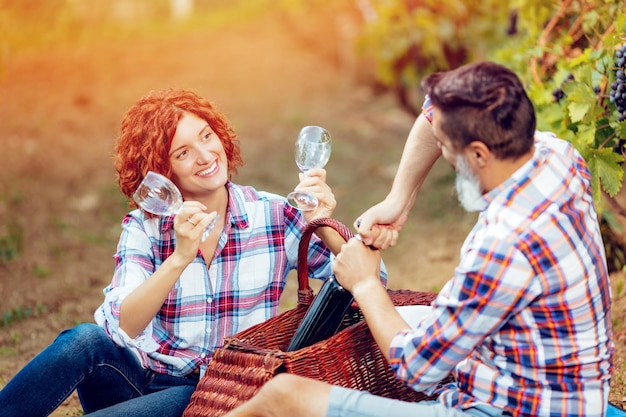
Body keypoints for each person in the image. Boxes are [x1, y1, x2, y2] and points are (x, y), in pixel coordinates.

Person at [221, 61, 615, 417]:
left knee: (285, 396)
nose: (440, 150)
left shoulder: (502, 244)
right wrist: (399, 200)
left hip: (514, 410)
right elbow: (433, 111)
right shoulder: (556, 157)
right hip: (562, 385)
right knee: (373, 330)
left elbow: (418, 368)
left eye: (445, 146)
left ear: (478, 154)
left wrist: (364, 282)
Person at [0, 88, 354, 416]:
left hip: (225, 393)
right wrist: (180, 256)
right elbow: (121, 327)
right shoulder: (145, 226)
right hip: (145, 383)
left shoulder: (274, 215)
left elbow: (369, 283)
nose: (205, 156)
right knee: (83, 340)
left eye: (206, 136)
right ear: (162, 170)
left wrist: (323, 222)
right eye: (182, 153)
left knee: (185, 395)